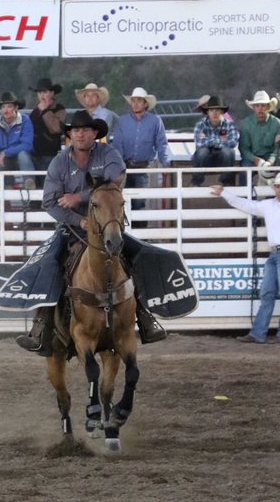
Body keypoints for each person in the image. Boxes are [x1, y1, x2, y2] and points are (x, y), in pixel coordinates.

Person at [16, 109, 166, 354]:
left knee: (134, 257)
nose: (81, 134)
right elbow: (49, 202)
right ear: (70, 135)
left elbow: (114, 181)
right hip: (72, 228)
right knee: (49, 263)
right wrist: (79, 219)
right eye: (76, 130)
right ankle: (40, 326)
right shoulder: (60, 162)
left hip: (108, 225)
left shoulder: (109, 154)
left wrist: (79, 197)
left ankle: (145, 316)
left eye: (86, 130)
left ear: (95, 133)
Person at [210, 174, 280, 343]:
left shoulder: (269, 206)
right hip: (274, 253)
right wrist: (225, 193)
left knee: (268, 293)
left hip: (275, 253)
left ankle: (259, 333)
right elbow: (246, 205)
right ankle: (258, 333)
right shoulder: (268, 205)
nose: (279, 189)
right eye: (278, 186)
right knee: (267, 293)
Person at [109, 87, 173, 210]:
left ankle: (140, 226)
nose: (135, 103)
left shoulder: (155, 121)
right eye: (133, 100)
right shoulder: (123, 121)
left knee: (139, 202)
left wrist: (165, 162)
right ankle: (126, 228)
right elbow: (117, 144)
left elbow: (161, 143)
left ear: (145, 103)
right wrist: (119, 166)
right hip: (125, 167)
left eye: (139, 100)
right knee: (123, 202)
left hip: (143, 167)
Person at [0, 91, 36, 186]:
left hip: (20, 158)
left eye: (9, 106)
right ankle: (6, 190)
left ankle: (29, 185)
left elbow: (27, 145)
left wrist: (6, 152)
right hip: (3, 159)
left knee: (23, 155)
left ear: (16, 107)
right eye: (3, 107)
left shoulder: (25, 120)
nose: (5, 110)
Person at [189, 95, 239, 186]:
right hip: (206, 159)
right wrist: (220, 141)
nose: (215, 113)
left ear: (222, 112)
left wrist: (209, 140)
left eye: (218, 110)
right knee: (202, 152)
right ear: (207, 112)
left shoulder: (230, 124)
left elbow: (233, 142)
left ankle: (227, 181)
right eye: (212, 110)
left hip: (223, 158)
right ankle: (197, 181)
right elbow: (199, 142)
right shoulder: (200, 124)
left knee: (228, 152)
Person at [28, 77, 66, 173]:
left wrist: (45, 110)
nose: (42, 95)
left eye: (44, 92)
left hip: (50, 155)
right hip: (34, 155)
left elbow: (56, 128)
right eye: (39, 92)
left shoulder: (60, 109)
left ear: (52, 93)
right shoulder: (35, 111)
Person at [238, 90, 280, 175]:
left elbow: (277, 148)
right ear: (253, 108)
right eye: (257, 105)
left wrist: (270, 161)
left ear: (268, 107)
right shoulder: (245, 124)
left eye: (263, 105)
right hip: (251, 157)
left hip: (270, 157)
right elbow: (244, 149)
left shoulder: (277, 123)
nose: (260, 108)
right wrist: (256, 159)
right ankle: (245, 188)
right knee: (245, 170)